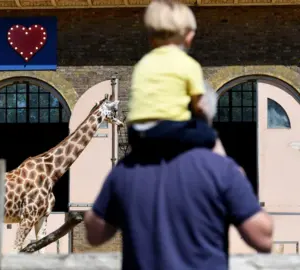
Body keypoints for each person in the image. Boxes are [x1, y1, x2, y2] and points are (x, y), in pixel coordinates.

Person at [83, 81, 273, 270]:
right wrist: (231, 167)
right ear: (205, 117)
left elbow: (94, 234)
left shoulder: (126, 169)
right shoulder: (222, 170)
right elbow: (263, 238)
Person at [126, 0, 218, 155]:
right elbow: (199, 106)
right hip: (169, 131)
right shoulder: (189, 64)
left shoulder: (142, 64)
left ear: (151, 39)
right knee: (207, 134)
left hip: (137, 133)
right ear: (189, 37)